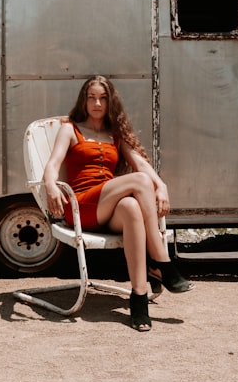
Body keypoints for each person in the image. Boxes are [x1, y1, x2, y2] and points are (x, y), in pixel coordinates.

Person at [43, 75, 193, 332]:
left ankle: (138, 298)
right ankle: (162, 261)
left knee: (132, 207)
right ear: (84, 100)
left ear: (110, 101)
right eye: (92, 97)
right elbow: (53, 165)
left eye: (103, 98)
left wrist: (163, 186)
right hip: (81, 205)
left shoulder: (115, 134)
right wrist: (49, 186)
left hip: (107, 207)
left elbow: (141, 163)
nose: (97, 103)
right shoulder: (71, 128)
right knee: (140, 181)